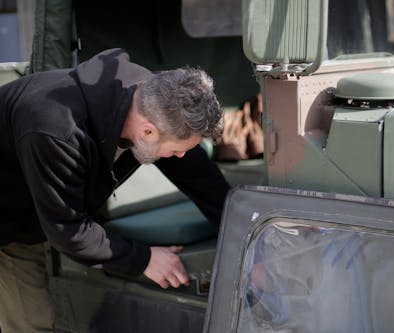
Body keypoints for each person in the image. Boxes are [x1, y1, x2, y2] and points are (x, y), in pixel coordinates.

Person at [0, 48, 231, 332]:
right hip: (12, 217)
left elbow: (199, 176)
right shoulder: (55, 130)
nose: (180, 157)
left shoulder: (154, 100)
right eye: (175, 151)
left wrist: (240, 240)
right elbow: (68, 230)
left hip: (31, 212)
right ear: (147, 132)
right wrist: (143, 260)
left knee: (31, 318)